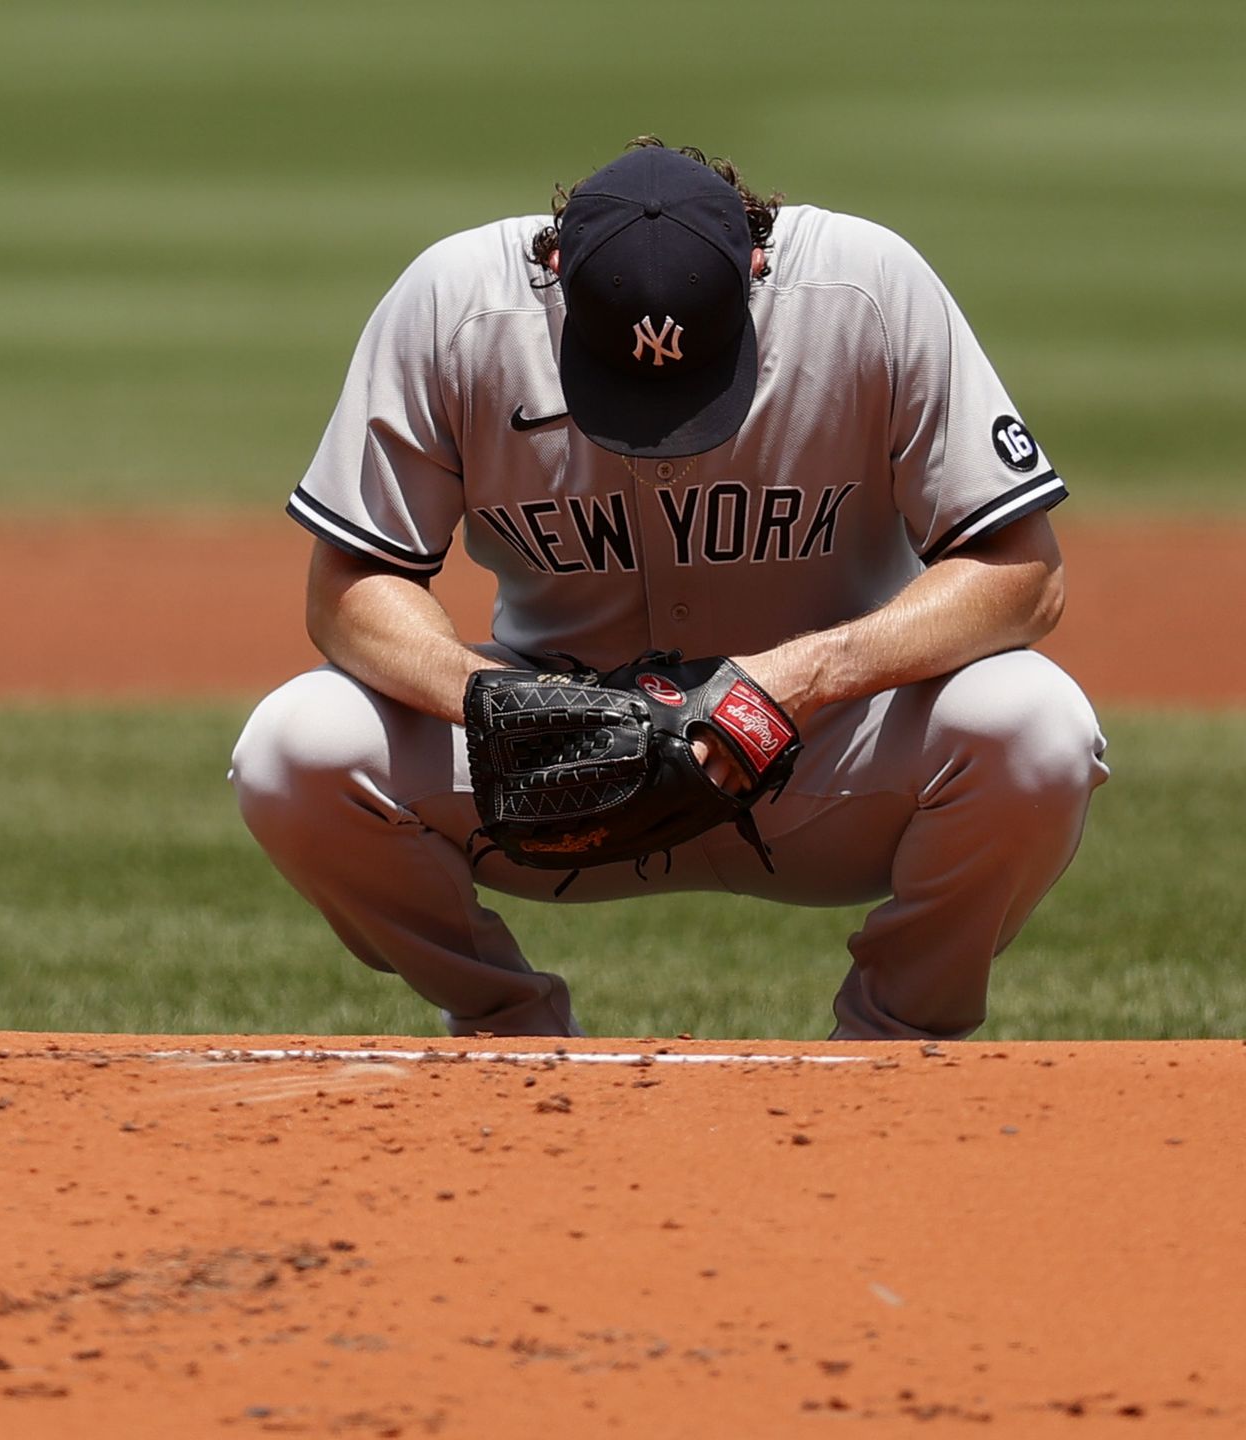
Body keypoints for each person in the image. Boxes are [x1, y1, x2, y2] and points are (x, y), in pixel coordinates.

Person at [229, 137, 1109, 1041]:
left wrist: (803, 677)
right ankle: (507, 1029)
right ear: (556, 272)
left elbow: (1024, 576)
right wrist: (498, 702)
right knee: (295, 750)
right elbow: (350, 584)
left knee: (1037, 725)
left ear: (757, 265)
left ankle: (895, 1041)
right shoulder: (455, 304)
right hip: (556, 766)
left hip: (828, 744)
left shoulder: (869, 290)